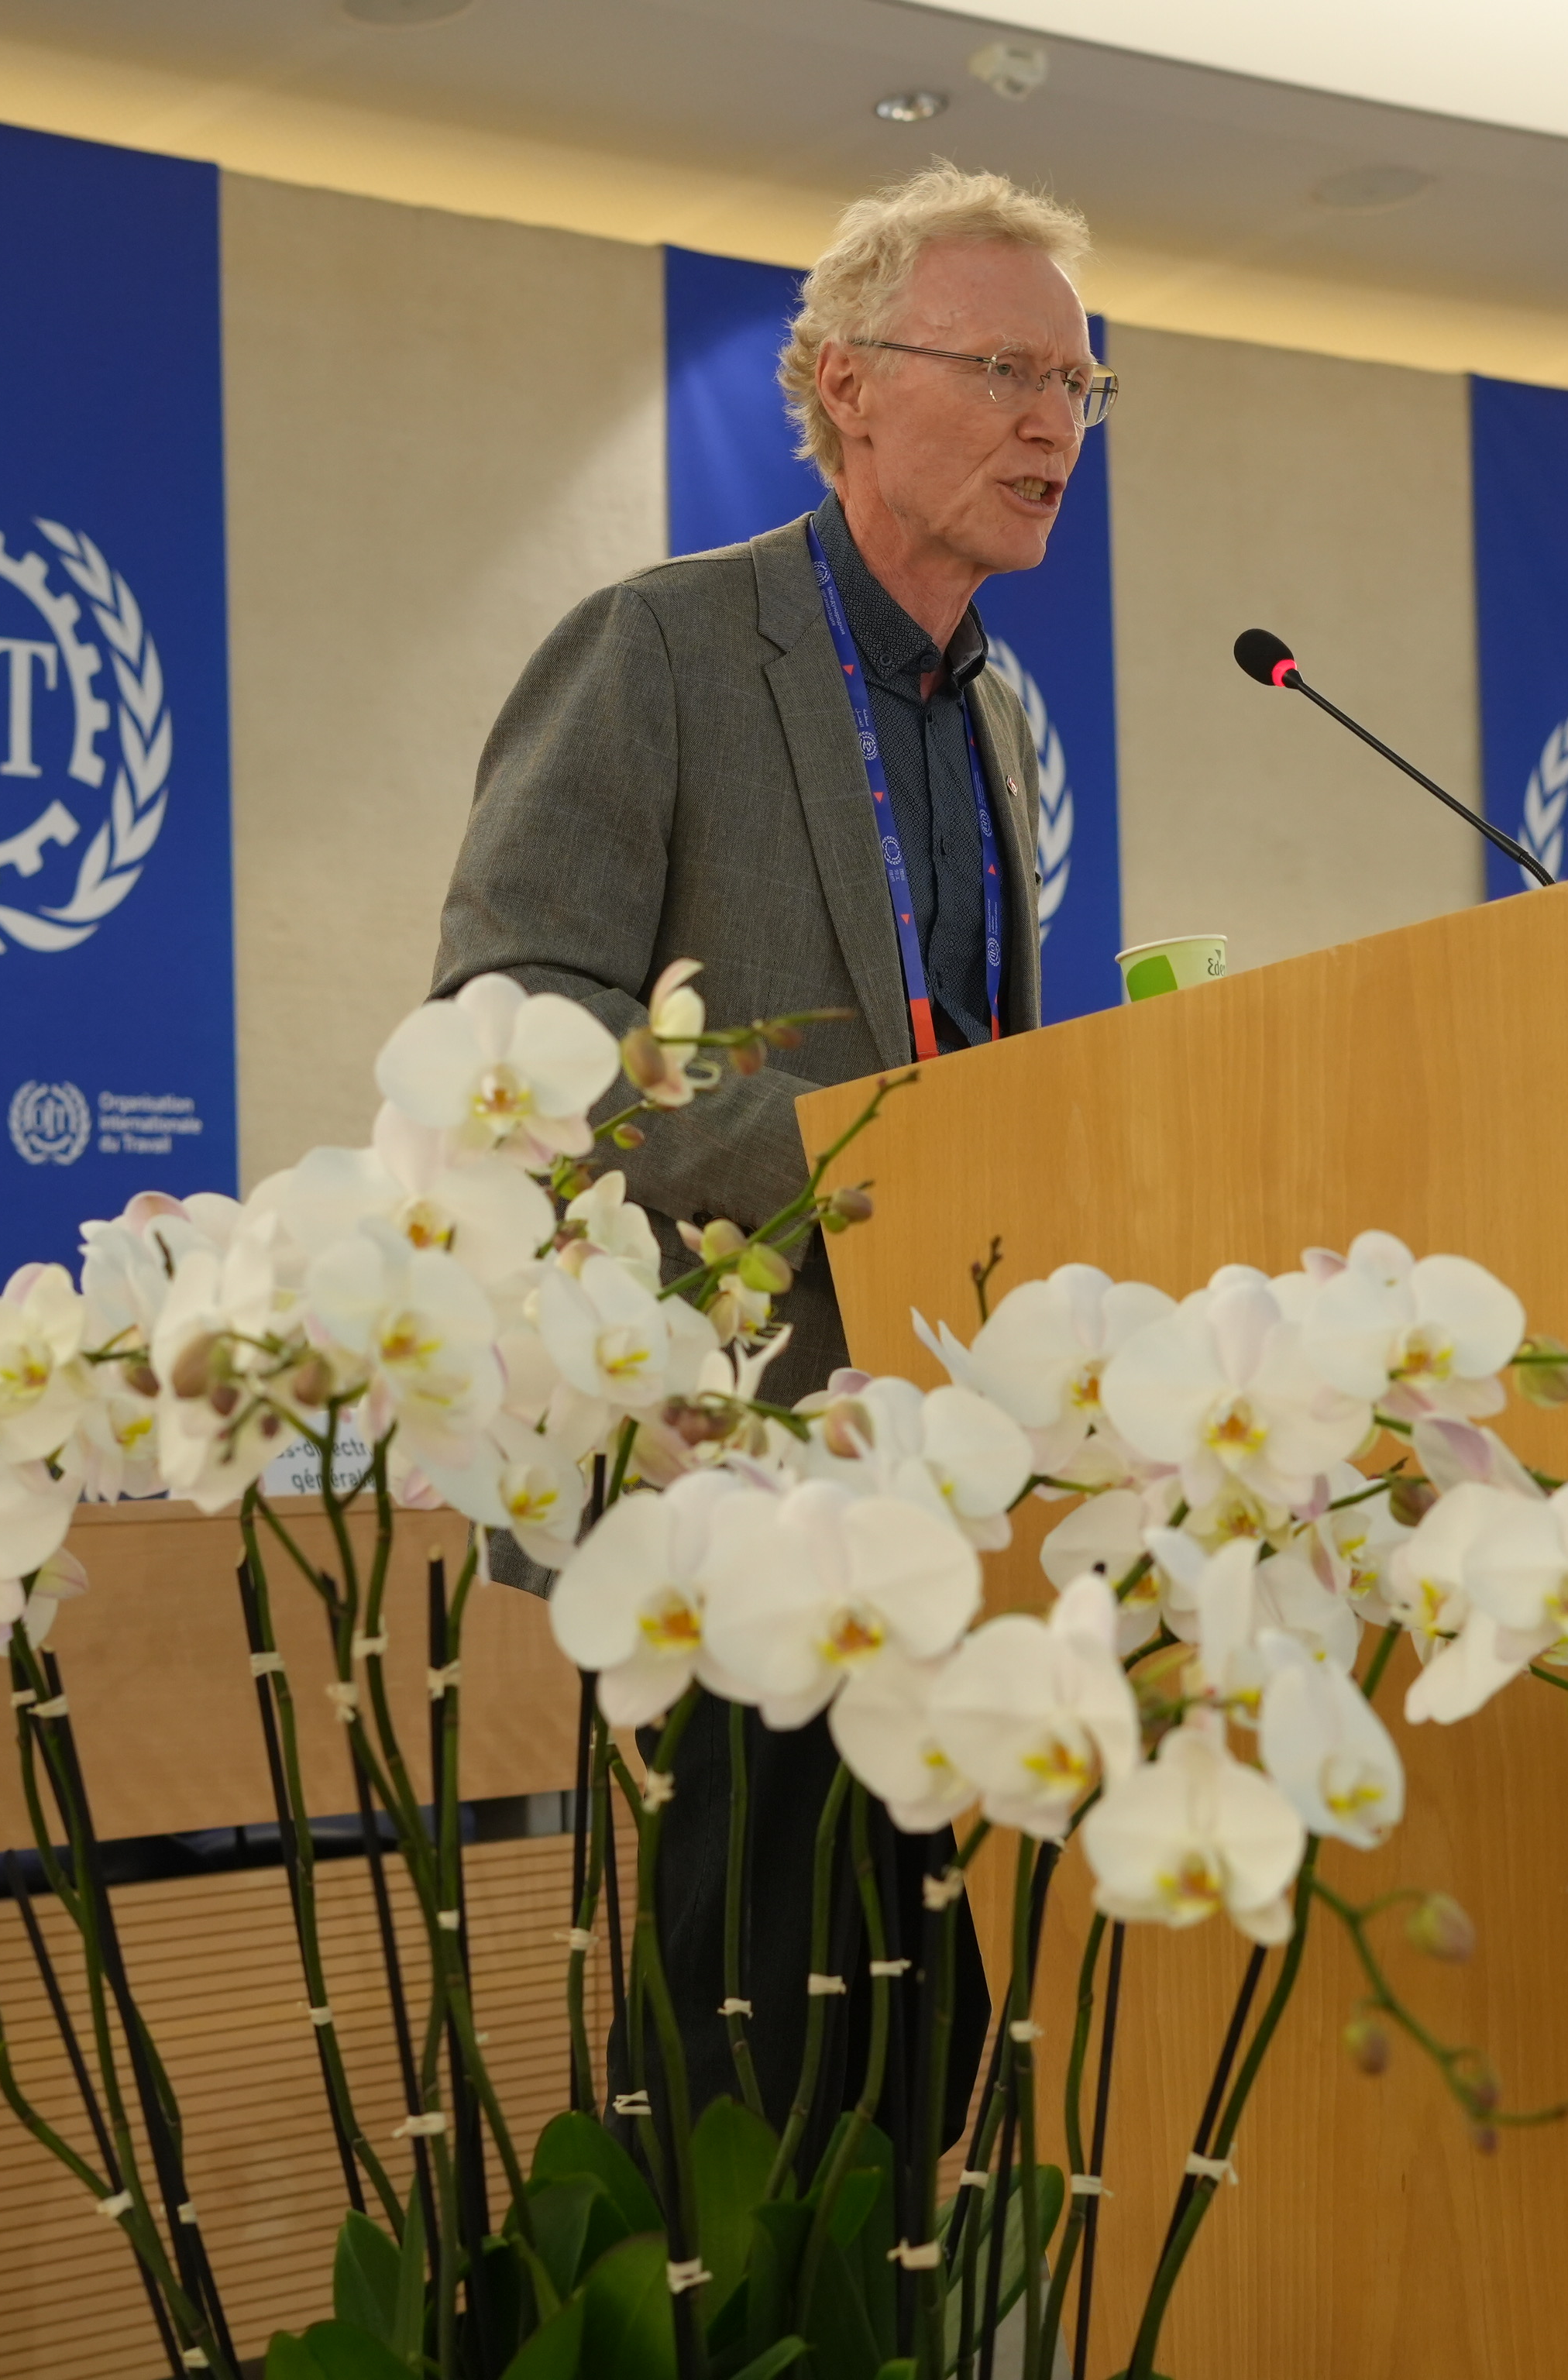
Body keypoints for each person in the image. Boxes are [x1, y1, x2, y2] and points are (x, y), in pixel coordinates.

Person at [426, 165, 1112, 2147]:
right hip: (718, 1487)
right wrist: (836, 1150)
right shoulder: (657, 647)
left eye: (1078, 382)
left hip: (943, 1490)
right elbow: (511, 1051)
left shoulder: (990, 718)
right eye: (1001, 368)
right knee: (747, 2079)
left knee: (919, 2068)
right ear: (839, 387)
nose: (1052, 424)